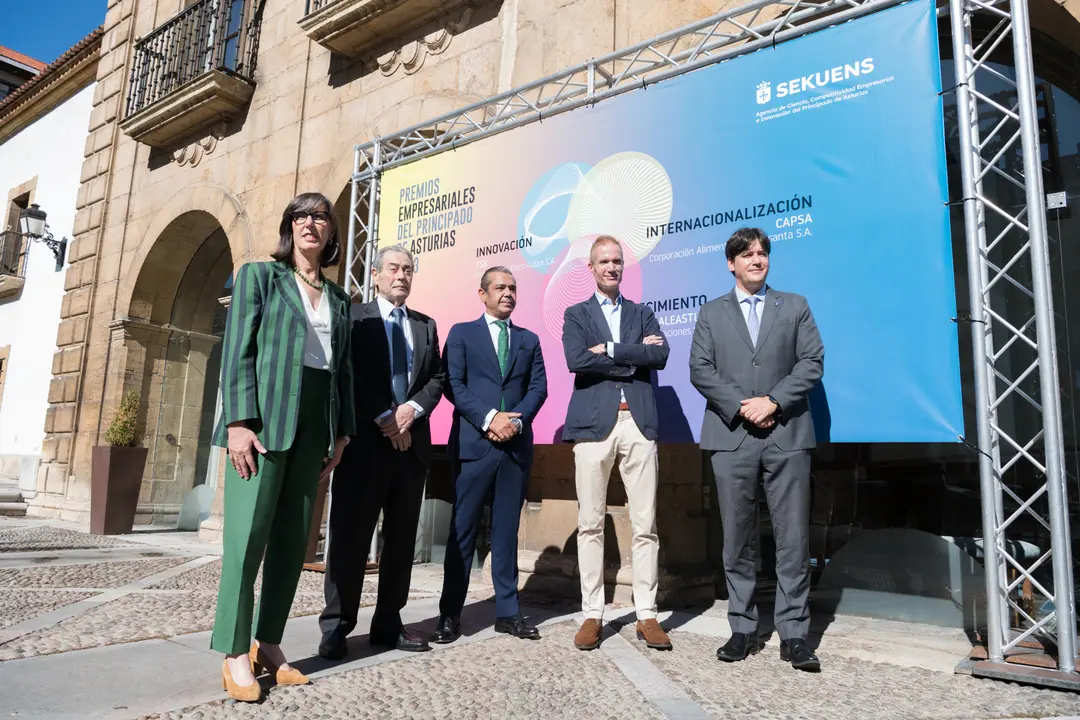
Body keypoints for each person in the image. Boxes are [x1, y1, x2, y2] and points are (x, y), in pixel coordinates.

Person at [211, 192, 355, 702]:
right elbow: (239, 351)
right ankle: (232, 651)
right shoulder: (260, 278)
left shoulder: (340, 299)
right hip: (264, 424)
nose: (311, 223)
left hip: (316, 427)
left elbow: (343, 372)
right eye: (301, 215)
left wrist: (343, 432)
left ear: (332, 233)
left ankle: (267, 643)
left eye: (320, 216)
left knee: (294, 545)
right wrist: (237, 424)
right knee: (246, 543)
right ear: (289, 226)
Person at [689, 226, 824, 672]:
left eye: (762, 253)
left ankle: (794, 635)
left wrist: (774, 401)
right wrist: (742, 407)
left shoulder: (796, 306)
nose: (757, 259)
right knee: (737, 538)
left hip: (786, 433)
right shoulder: (711, 313)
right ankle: (743, 628)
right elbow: (700, 369)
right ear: (731, 263)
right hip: (732, 437)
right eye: (747, 254)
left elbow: (812, 361)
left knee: (792, 538)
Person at [319, 245, 444, 658]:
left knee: (401, 541)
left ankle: (389, 622)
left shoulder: (426, 326)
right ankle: (337, 625)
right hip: (364, 448)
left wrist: (411, 409)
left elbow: (437, 379)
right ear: (375, 275)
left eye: (408, 270)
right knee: (350, 538)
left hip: (410, 450)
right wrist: (384, 416)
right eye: (393, 269)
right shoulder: (354, 318)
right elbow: (346, 371)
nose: (401, 276)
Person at [560, 235, 672, 652]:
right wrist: (632, 356)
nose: (612, 267)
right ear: (591, 268)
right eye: (604, 261)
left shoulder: (642, 313)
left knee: (646, 525)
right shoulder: (576, 314)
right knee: (590, 522)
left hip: (639, 424)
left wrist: (607, 349)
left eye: (618, 261)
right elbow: (576, 360)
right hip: (593, 426)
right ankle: (593, 612)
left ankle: (646, 613)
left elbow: (659, 357)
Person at [430, 266, 549, 644]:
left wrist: (514, 423)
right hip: (473, 447)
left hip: (513, 448)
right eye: (500, 288)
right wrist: (489, 419)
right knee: (462, 532)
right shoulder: (462, 334)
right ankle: (450, 614)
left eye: (513, 288)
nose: (508, 294)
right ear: (482, 294)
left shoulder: (529, 339)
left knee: (505, 533)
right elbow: (453, 384)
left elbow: (539, 387)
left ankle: (508, 612)